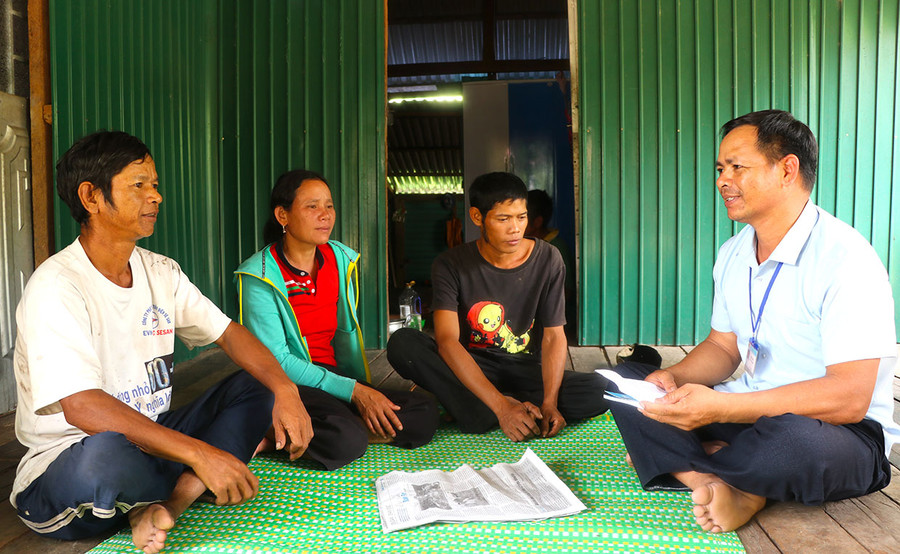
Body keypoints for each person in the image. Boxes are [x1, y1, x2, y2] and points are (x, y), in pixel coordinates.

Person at [11, 131, 313, 554]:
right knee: (106, 456)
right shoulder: (57, 286)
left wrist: (286, 389)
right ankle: (167, 485)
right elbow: (81, 407)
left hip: (151, 438)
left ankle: (171, 501)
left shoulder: (160, 271)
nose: (156, 197)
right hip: (68, 461)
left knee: (257, 385)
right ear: (91, 197)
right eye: (139, 185)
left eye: (154, 184)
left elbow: (229, 333)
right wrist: (202, 453)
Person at [607, 110, 899, 534]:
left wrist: (722, 408)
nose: (724, 180)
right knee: (630, 383)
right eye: (720, 169)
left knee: (793, 445)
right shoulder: (734, 253)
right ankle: (713, 478)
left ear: (787, 169)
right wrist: (671, 377)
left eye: (738, 167)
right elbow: (723, 349)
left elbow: (850, 398)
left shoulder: (845, 259)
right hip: (750, 411)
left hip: (839, 431)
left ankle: (686, 462)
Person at [235, 170, 438, 470]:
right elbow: (276, 360)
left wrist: (357, 390)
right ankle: (276, 428)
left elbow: (342, 336)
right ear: (283, 215)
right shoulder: (260, 275)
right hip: (287, 384)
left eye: (329, 206)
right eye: (312, 206)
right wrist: (355, 392)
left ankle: (306, 433)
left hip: (331, 376)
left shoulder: (338, 259)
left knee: (424, 412)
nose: (325, 215)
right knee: (346, 439)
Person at [387, 172, 608, 442]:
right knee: (403, 343)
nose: (515, 228)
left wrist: (550, 402)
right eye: (503, 219)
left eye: (521, 217)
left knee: (601, 389)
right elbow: (447, 341)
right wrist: (502, 408)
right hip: (474, 365)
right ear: (477, 217)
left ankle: (478, 407)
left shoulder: (549, 259)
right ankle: (497, 405)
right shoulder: (450, 264)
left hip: (525, 370)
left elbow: (553, 335)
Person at [525, 189, 576, 338]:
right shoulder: (524, 244)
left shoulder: (556, 248)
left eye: (522, 218)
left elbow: (566, 293)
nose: (514, 225)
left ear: (537, 222)